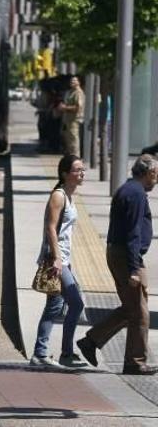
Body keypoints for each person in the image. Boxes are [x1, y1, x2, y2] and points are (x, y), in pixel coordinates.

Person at [78, 154, 158, 375]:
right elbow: (133, 234)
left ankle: (92, 341)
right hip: (127, 257)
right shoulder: (136, 195)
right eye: (156, 175)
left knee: (132, 309)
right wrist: (134, 269)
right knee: (140, 313)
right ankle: (135, 361)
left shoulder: (129, 189)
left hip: (121, 253)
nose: (157, 180)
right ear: (150, 173)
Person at [30, 155, 87, 368]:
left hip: (63, 259)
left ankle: (52, 353)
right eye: (77, 170)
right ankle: (47, 354)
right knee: (72, 303)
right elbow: (50, 227)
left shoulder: (70, 196)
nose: (81, 173)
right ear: (65, 173)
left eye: (83, 170)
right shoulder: (59, 196)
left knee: (57, 304)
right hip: (56, 259)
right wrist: (56, 258)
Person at [59, 76, 84, 156]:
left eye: (74, 81)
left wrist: (65, 107)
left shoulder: (78, 93)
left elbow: (78, 107)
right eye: (71, 81)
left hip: (74, 120)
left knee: (74, 140)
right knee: (68, 141)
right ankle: (71, 158)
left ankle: (76, 158)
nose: (72, 82)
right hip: (67, 120)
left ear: (79, 82)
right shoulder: (70, 92)